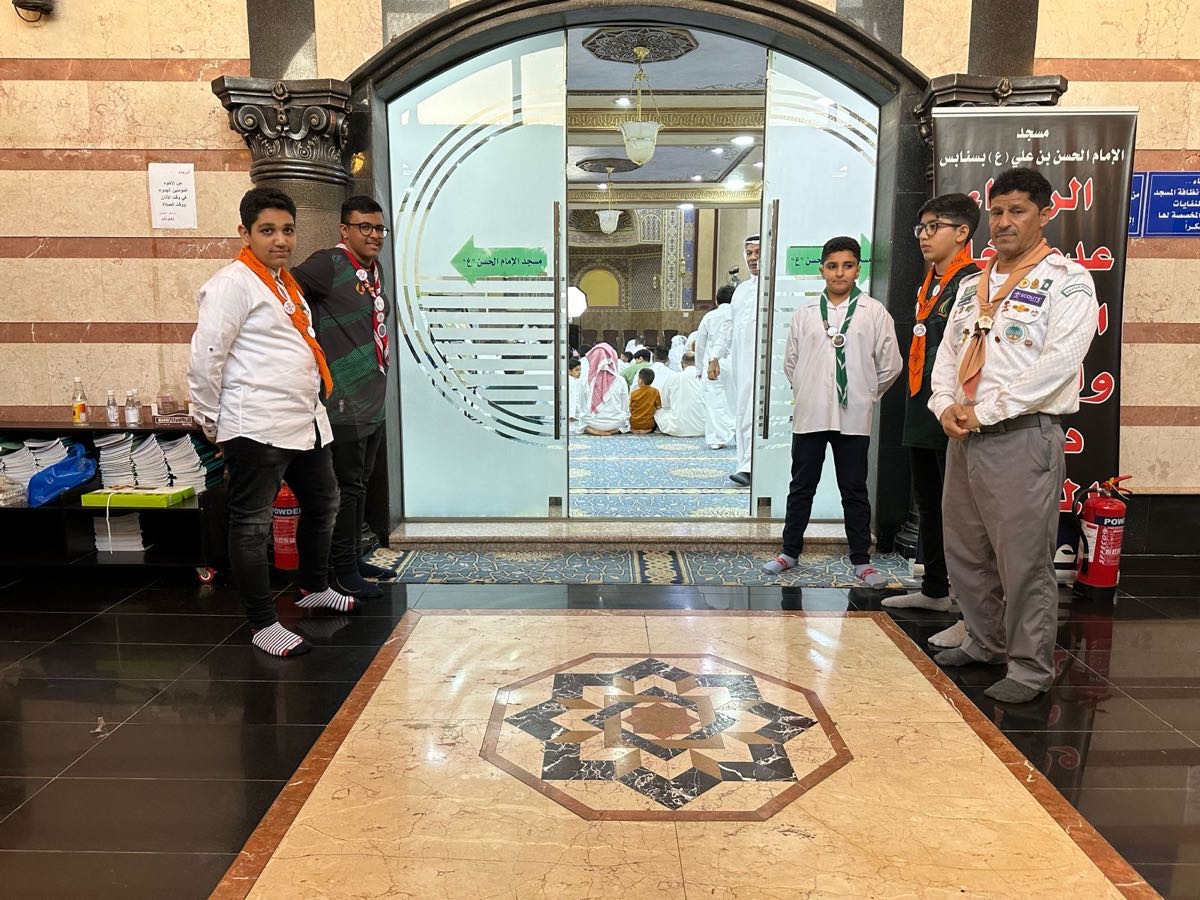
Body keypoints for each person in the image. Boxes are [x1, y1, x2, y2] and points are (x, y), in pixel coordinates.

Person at [930, 167, 1098, 704]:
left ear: (1045, 214)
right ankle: (985, 641)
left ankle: (1029, 668)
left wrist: (985, 411)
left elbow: (1059, 364)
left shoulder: (1068, 280)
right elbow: (948, 355)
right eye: (997, 211)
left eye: (1017, 211)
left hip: (1022, 436)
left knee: (1024, 561)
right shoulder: (972, 285)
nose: (1003, 222)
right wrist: (944, 405)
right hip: (964, 436)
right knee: (966, 550)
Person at [187, 188, 355, 659]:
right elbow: (207, 355)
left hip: (303, 420)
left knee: (324, 502)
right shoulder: (232, 284)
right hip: (256, 425)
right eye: (268, 230)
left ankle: (313, 587)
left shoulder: (282, 282)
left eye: (287, 230)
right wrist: (209, 420)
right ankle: (263, 623)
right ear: (245, 233)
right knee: (251, 526)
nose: (280, 240)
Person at [762, 236, 902, 587]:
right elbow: (792, 362)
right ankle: (789, 551)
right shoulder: (805, 313)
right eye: (833, 266)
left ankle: (861, 560)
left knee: (854, 489)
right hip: (811, 413)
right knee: (801, 486)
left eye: (848, 265)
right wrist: (809, 390)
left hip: (853, 415)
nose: (840, 273)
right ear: (822, 269)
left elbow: (891, 364)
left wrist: (866, 394)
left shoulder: (874, 312)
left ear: (858, 269)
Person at [882, 194, 981, 620]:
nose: (924, 236)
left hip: (952, 412)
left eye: (933, 227)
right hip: (922, 406)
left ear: (962, 233)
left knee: (957, 509)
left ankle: (968, 604)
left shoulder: (973, 283)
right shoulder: (931, 284)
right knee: (929, 502)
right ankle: (935, 588)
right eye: (921, 228)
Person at [291, 195, 392, 601]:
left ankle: (354, 558)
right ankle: (343, 571)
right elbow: (287, 292)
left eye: (379, 228)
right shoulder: (329, 263)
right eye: (364, 227)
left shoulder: (372, 270)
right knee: (346, 488)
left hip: (373, 398)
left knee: (360, 484)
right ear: (344, 230)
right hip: (343, 401)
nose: (374, 235)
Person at [707, 235, 760, 486]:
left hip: (772, 366)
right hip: (743, 365)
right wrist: (715, 356)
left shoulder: (777, 287)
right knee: (744, 413)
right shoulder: (742, 291)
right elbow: (729, 327)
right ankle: (746, 465)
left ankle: (757, 465)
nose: (753, 258)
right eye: (749, 253)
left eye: (758, 252)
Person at [695, 284, 736, 450]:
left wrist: (698, 369)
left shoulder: (709, 317)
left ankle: (717, 439)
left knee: (714, 401)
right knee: (736, 400)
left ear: (716, 300)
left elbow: (700, 345)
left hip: (713, 364)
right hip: (734, 364)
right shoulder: (738, 315)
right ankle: (738, 434)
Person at [576, 343, 631, 435]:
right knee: (626, 419)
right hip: (615, 423)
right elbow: (624, 407)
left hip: (592, 424)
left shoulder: (585, 380)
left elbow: (582, 406)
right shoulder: (621, 380)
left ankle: (592, 430)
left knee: (582, 419)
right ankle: (614, 430)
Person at [655, 351, 705, 437]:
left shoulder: (674, 377)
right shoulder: (705, 378)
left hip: (677, 429)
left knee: (658, 411)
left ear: (682, 364)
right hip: (703, 428)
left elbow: (665, 405)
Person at [629, 368, 661, 434]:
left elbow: (630, 409)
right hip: (648, 425)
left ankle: (633, 429)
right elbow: (658, 407)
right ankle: (648, 430)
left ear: (641, 381)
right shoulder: (655, 391)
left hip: (634, 424)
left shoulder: (633, 393)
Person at [567, 357, 583, 422]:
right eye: (576, 370)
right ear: (569, 371)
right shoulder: (572, 382)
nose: (579, 372)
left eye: (580, 370)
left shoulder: (571, 380)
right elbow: (572, 399)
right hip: (572, 415)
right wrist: (571, 416)